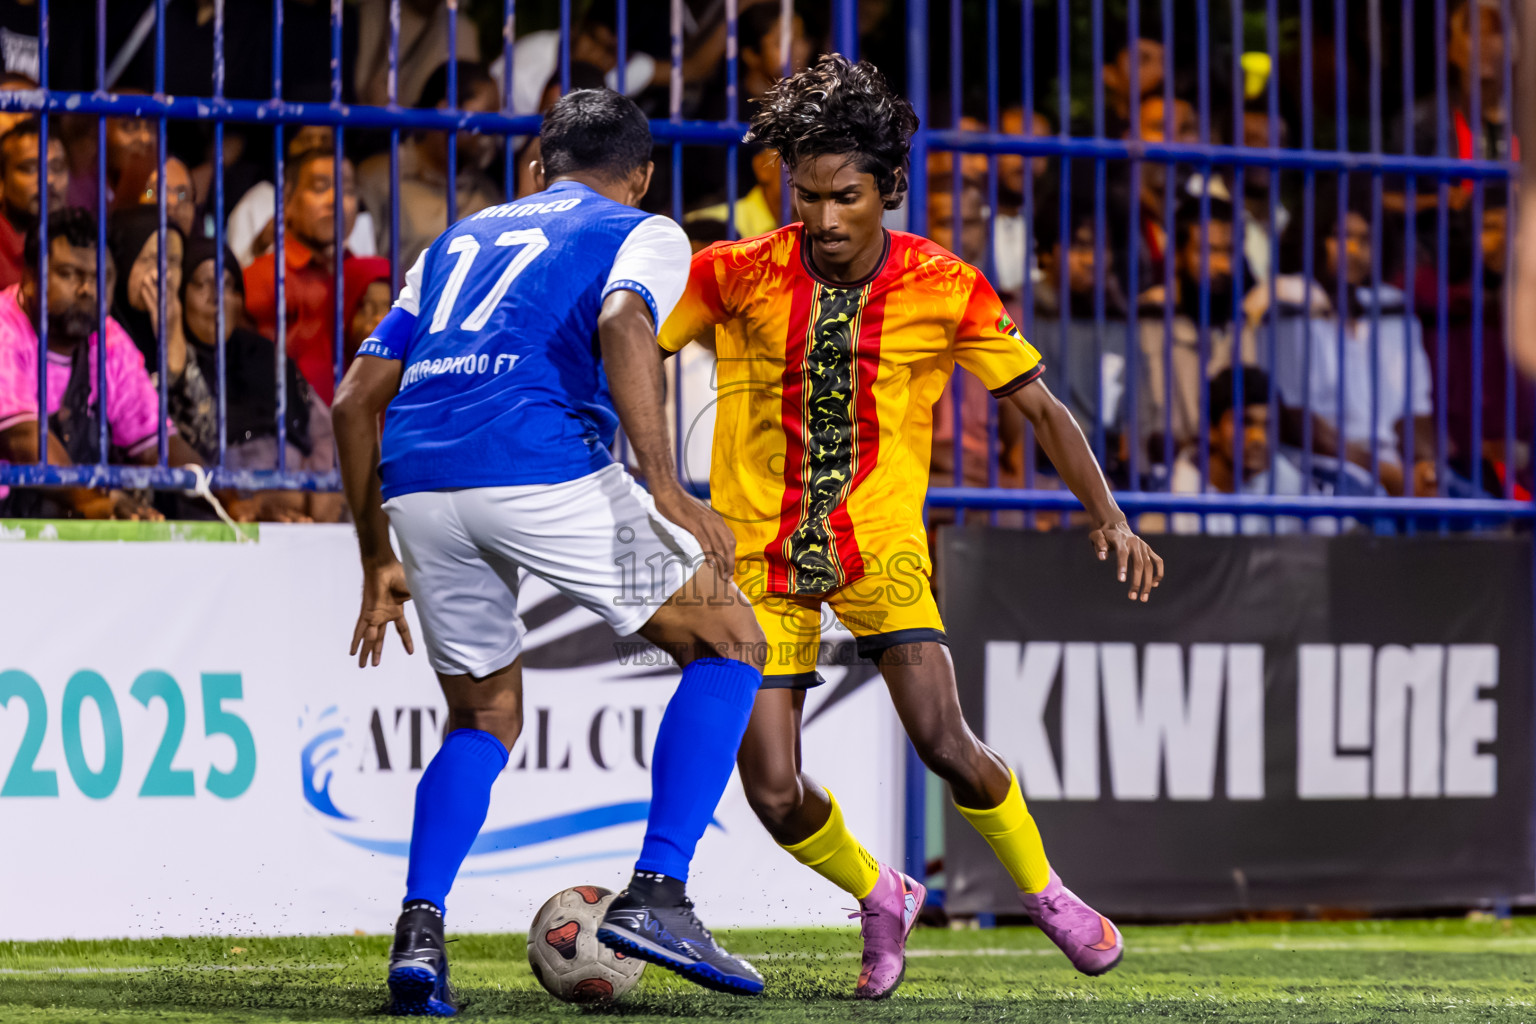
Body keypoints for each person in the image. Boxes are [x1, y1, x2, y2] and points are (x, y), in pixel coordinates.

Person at [661, 55, 1163, 999]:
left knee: (941, 739)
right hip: (756, 559)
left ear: (886, 188)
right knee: (771, 788)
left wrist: (1110, 516)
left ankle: (1046, 893)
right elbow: (630, 347)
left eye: (845, 196)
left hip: (880, 548)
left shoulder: (945, 282)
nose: (823, 218)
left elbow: (1042, 408)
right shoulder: (728, 273)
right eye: (803, 196)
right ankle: (881, 892)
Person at [331, 89, 770, 1014]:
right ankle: (658, 894)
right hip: (537, 463)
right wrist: (663, 483)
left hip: (415, 479)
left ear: (539, 165)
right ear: (643, 172)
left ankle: (419, 933)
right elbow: (623, 324)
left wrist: (377, 557)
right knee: (731, 641)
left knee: (483, 717)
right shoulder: (641, 227)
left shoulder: (454, 240)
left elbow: (352, 400)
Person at [0, 208, 191, 518]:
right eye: (68, 273)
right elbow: (25, 441)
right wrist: (98, 501)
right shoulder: (5, 330)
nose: (87, 290)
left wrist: (232, 498)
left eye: (100, 278)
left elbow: (158, 446)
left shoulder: (109, 340)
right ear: (31, 277)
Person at [1264, 183, 1435, 497]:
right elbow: (1297, 422)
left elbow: (1416, 412)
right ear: (1313, 238)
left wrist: (1425, 468)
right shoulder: (1289, 301)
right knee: (1373, 508)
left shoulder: (1392, 307)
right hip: (1321, 467)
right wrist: (1387, 474)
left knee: (1481, 515)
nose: (1354, 251)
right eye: (1341, 237)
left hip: (1392, 467)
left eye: (1365, 239)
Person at [180, 237, 335, 522]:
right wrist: (260, 500)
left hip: (303, 500)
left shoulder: (267, 356)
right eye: (203, 284)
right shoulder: (175, 365)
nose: (217, 297)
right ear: (179, 295)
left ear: (240, 300)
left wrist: (313, 488)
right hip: (222, 506)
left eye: (228, 285)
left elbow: (323, 432)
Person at [243, 146, 391, 405]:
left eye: (347, 190)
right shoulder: (260, 279)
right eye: (321, 187)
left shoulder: (370, 278)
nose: (336, 200)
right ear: (287, 199)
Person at [356, 61, 504, 270]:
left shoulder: (487, 189)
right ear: (446, 109)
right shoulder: (380, 177)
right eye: (486, 116)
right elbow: (360, 260)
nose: (493, 131)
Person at [224, 126, 375, 268]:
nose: (317, 144)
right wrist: (260, 245)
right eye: (308, 138)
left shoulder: (357, 211)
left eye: (325, 138)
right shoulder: (254, 203)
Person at [0, 116, 66, 289]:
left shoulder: (79, 243)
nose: (49, 179)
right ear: (1, 181)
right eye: (30, 168)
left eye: (58, 167)